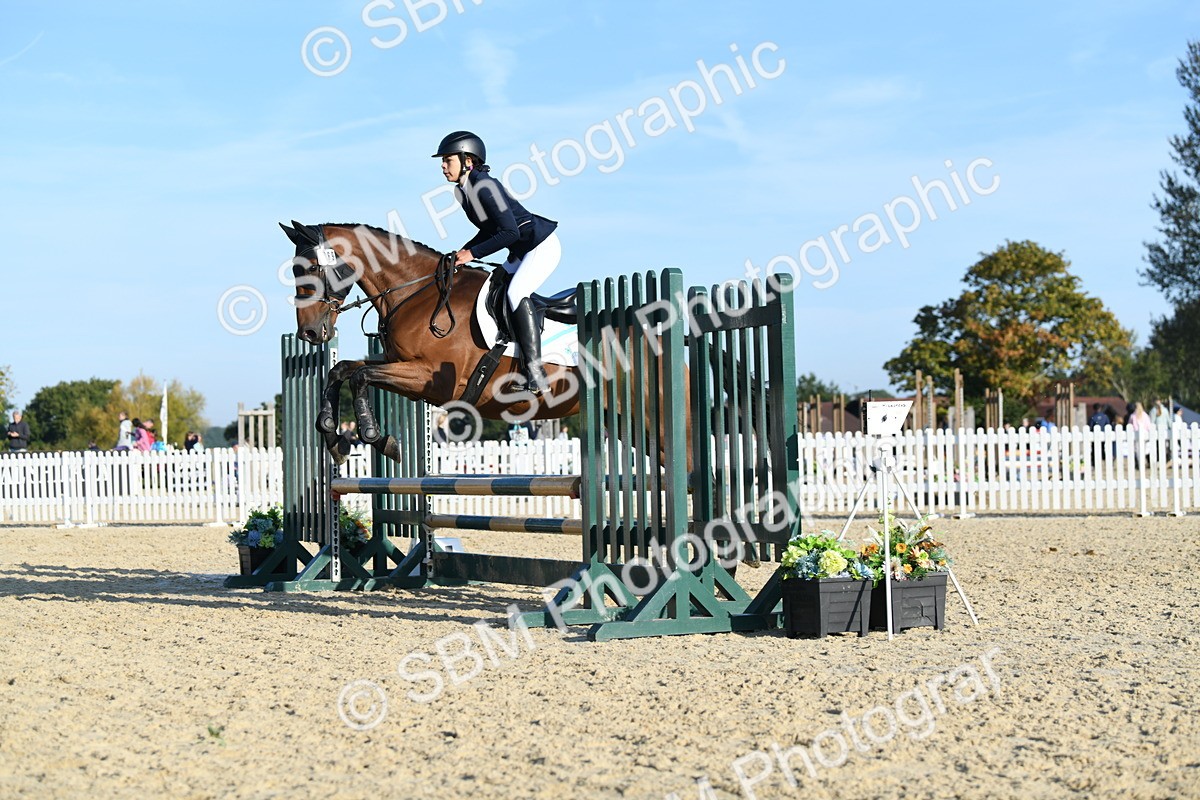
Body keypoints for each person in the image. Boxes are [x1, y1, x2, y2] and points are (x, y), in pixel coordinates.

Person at [433, 130, 561, 394]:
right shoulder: (463, 191)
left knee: (515, 293)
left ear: (468, 160)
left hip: (539, 246)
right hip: (521, 251)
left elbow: (509, 232)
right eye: (443, 161)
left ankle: (536, 375)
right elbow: (490, 230)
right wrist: (464, 250)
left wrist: (473, 254)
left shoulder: (484, 186)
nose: (443, 166)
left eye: (448, 160)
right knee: (495, 288)